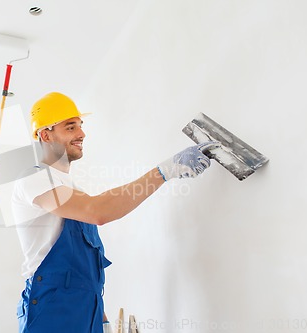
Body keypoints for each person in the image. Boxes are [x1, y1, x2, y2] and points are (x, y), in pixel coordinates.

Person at [12, 92, 219, 333]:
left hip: (86, 309)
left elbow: (84, 279)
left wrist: (102, 320)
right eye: (70, 127)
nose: (81, 134)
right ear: (45, 135)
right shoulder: (34, 177)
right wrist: (166, 170)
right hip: (51, 309)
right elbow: (98, 211)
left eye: (80, 126)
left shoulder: (72, 190)